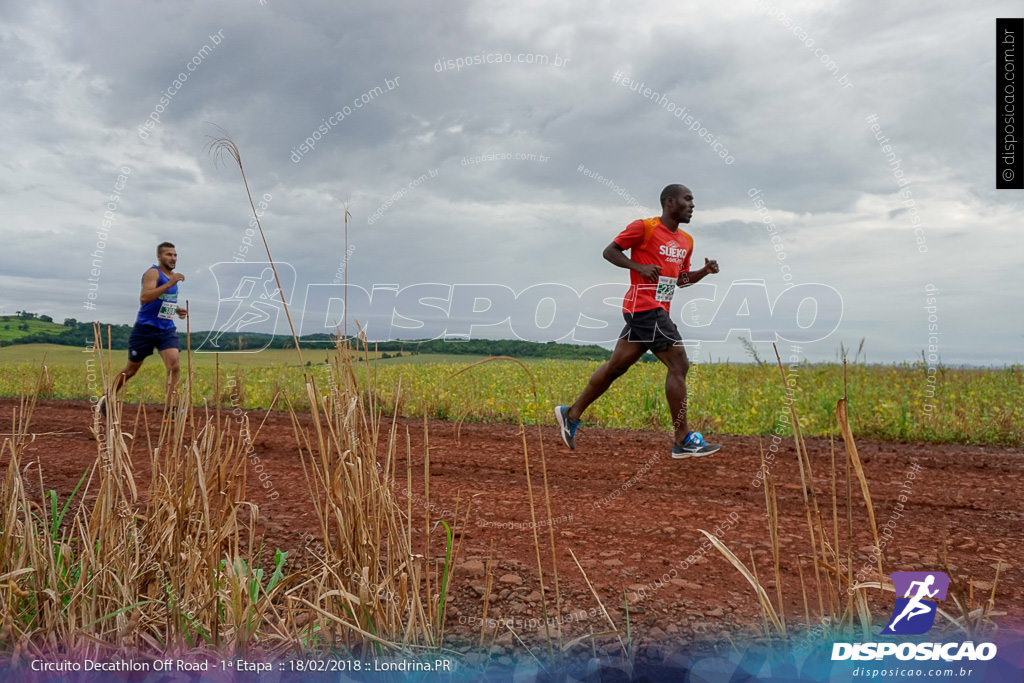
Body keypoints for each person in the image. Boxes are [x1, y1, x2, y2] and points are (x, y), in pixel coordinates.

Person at [555, 184, 721, 458]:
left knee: (614, 368)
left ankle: (570, 414)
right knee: (679, 363)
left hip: (657, 311)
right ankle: (682, 440)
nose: (693, 205)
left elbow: (679, 280)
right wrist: (639, 267)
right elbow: (610, 251)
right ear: (670, 202)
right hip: (644, 307)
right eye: (687, 199)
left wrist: (704, 271)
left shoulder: (686, 241)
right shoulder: (644, 228)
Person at [99, 242, 187, 416]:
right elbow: (145, 297)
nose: (173, 258)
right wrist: (170, 283)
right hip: (145, 329)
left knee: (174, 366)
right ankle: (107, 397)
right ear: (159, 256)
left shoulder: (172, 278)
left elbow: (162, 299)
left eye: (175, 255)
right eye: (168, 254)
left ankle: (171, 409)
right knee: (131, 370)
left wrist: (176, 309)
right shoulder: (153, 273)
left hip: (166, 329)